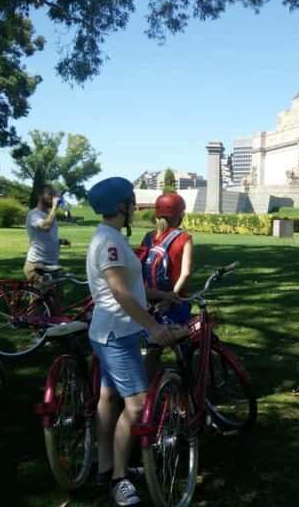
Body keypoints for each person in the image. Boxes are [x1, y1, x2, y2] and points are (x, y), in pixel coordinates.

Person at [85, 177, 174, 506]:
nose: (135, 206)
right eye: (131, 201)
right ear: (119, 206)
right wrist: (152, 326)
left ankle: (105, 467)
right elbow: (120, 292)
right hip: (116, 334)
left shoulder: (111, 238)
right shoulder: (108, 242)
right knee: (136, 406)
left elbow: (130, 286)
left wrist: (161, 293)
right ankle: (120, 479)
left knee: (109, 399)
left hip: (110, 332)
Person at [137, 193, 193, 379]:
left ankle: (148, 392)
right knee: (184, 348)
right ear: (180, 215)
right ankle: (186, 392)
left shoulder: (148, 237)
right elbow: (186, 272)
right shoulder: (184, 237)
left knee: (154, 348)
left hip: (150, 301)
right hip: (177, 302)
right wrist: (172, 296)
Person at [24, 184, 71, 284]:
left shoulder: (48, 215)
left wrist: (60, 241)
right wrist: (55, 207)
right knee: (40, 298)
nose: (54, 196)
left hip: (52, 264)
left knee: (57, 298)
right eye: (50, 194)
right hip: (37, 265)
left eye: (55, 194)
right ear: (40, 196)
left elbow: (45, 236)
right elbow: (45, 227)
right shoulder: (34, 214)